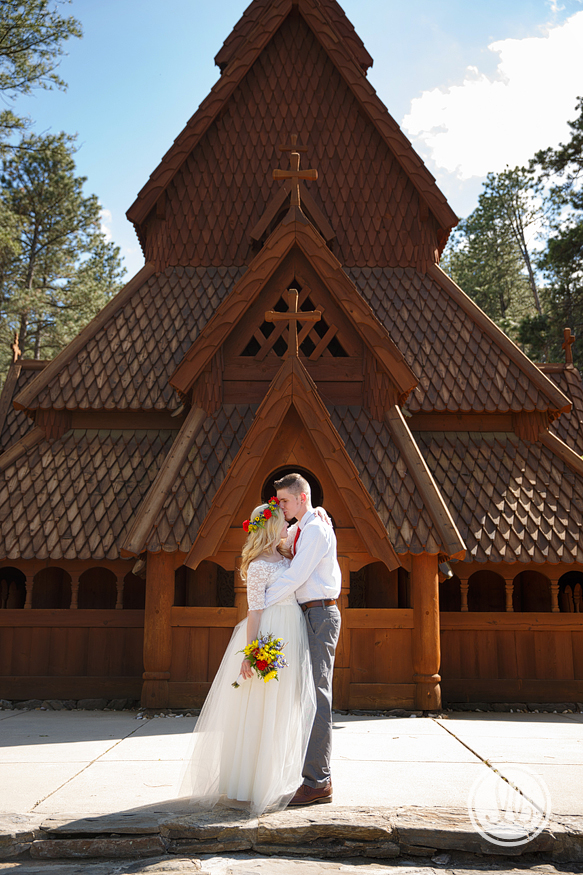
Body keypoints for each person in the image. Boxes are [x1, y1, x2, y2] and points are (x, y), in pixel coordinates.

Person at [178, 497, 316, 815]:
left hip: (292, 632)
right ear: (270, 526)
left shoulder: (284, 554)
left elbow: (308, 528)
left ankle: (282, 776)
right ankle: (254, 783)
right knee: (262, 707)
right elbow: (254, 612)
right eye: (283, 520)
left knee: (285, 706)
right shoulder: (256, 566)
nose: (289, 524)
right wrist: (252, 652)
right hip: (271, 634)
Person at [264, 472, 342, 806]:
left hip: (320, 614)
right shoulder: (304, 526)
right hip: (306, 614)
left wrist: (262, 601)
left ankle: (318, 782)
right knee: (304, 694)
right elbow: (277, 542)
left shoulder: (316, 530)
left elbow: (296, 575)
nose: (279, 506)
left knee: (318, 695)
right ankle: (309, 776)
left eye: (283, 500)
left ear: (302, 497)